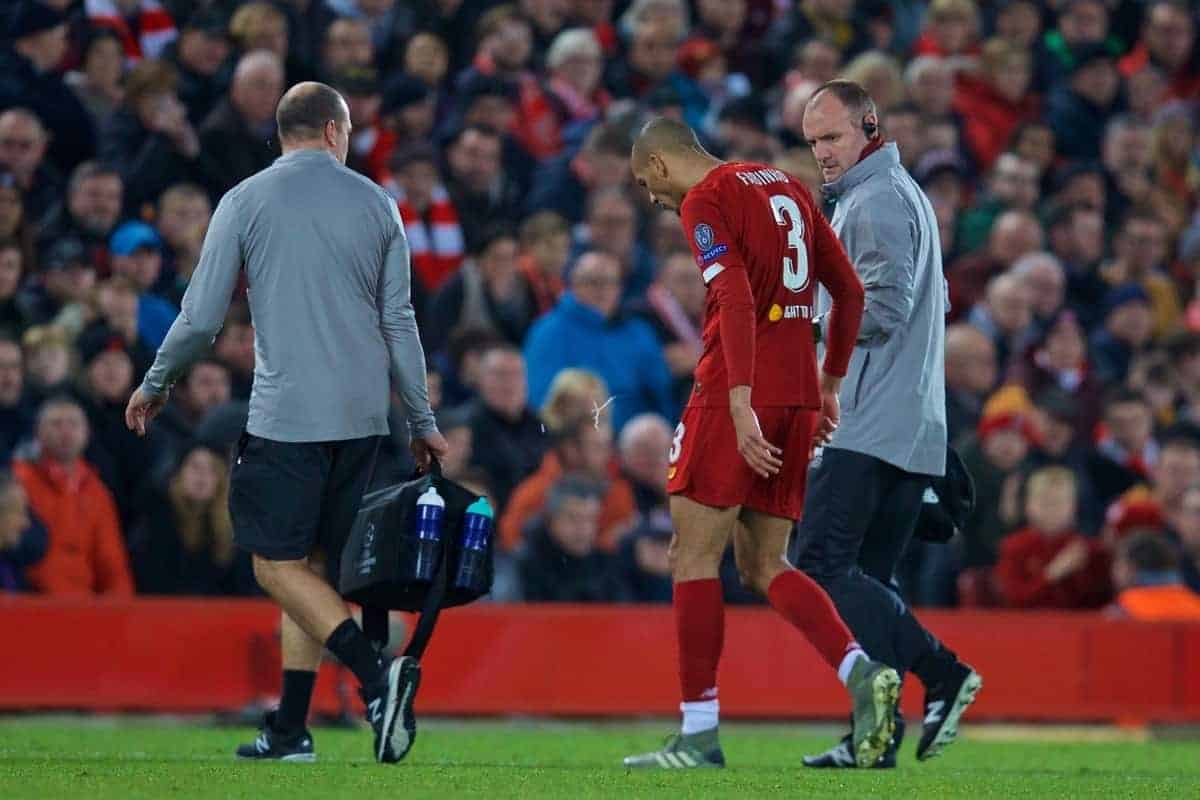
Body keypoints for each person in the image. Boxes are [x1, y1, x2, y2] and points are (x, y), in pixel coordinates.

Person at [124, 81, 446, 765]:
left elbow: (203, 318)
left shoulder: (244, 200)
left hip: (287, 415)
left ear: (286, 131)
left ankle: (373, 675)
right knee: (316, 571)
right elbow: (399, 321)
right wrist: (421, 417)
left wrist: (156, 383)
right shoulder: (379, 204)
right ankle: (291, 727)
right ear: (334, 130)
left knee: (275, 567)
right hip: (363, 420)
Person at [624, 116, 900, 771]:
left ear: (661, 166)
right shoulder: (786, 185)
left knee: (691, 556)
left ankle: (698, 734)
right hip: (798, 394)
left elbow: (735, 296)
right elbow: (849, 291)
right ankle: (861, 673)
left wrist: (740, 401)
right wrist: (829, 386)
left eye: (644, 183)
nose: (650, 198)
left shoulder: (705, 198)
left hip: (734, 392)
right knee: (763, 566)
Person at [794, 80, 980, 769]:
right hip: (909, 422)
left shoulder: (873, 204)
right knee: (867, 581)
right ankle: (876, 738)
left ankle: (944, 673)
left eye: (833, 137)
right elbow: (934, 301)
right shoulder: (905, 199)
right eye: (814, 142)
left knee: (818, 563)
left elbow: (883, 310)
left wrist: (800, 311)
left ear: (870, 125)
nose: (823, 154)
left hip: (868, 423)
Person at [13, 396, 132, 596]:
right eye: (56, 424)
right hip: (30, 603)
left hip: (83, 608)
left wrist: (120, 612)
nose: (66, 432)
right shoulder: (18, 482)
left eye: (74, 424)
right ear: (37, 433)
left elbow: (112, 564)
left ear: (87, 433)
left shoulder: (97, 492)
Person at [994, 467, 1112, 609]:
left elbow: (1103, 604)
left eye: (1060, 502)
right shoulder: (1013, 547)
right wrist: (1052, 574)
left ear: (1073, 507)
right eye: (1045, 502)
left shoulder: (1088, 549)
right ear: (1028, 506)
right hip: (1027, 626)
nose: (1052, 509)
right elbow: (1013, 600)